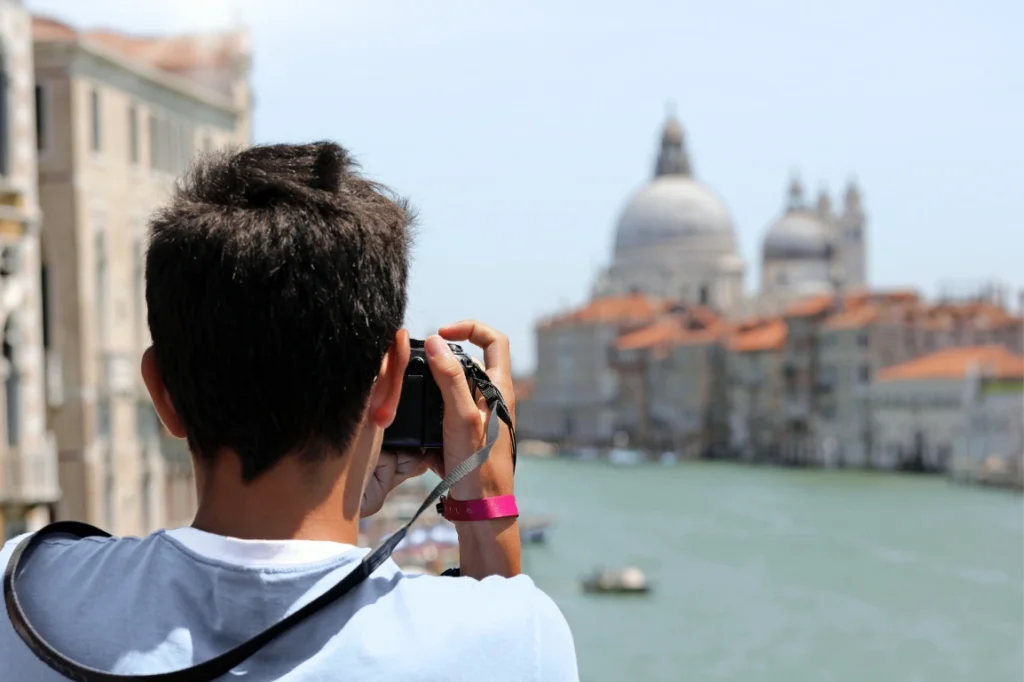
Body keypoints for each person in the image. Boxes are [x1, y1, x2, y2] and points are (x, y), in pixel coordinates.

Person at [0, 142, 579, 680]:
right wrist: (485, 502)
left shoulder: (19, 595)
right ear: (389, 385)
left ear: (162, 392)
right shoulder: (514, 634)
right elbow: (500, 642)